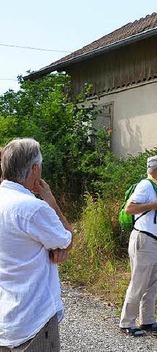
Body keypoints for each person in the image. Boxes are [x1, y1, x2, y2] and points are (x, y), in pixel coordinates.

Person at [0, 138, 73, 351]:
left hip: (6, 314)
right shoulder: (33, 209)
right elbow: (67, 238)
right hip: (32, 318)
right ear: (34, 168)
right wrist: (50, 200)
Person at [119, 155, 157, 337]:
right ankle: (127, 322)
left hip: (155, 243)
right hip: (146, 241)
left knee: (150, 283)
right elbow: (130, 208)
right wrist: (153, 205)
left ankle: (147, 320)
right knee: (139, 282)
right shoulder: (145, 185)